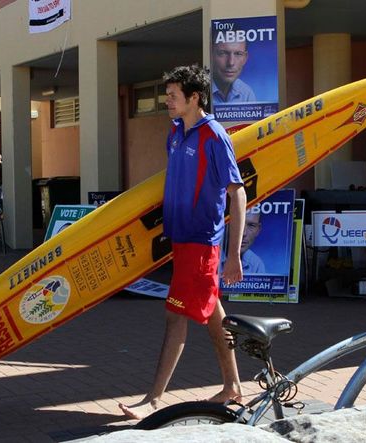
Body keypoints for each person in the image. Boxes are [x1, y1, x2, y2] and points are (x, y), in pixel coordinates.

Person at [119, 65, 246, 420]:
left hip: (202, 243)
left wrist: (233, 255)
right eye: (167, 95)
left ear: (194, 97)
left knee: (175, 316)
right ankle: (233, 385)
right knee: (213, 312)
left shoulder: (215, 136)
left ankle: (153, 400)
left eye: (173, 96)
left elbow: (237, 193)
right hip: (181, 239)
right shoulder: (175, 132)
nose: (167, 101)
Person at [211, 40, 255, 105]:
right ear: (211, 55)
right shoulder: (202, 91)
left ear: (245, 58)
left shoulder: (246, 93)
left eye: (238, 54)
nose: (231, 63)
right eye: (223, 53)